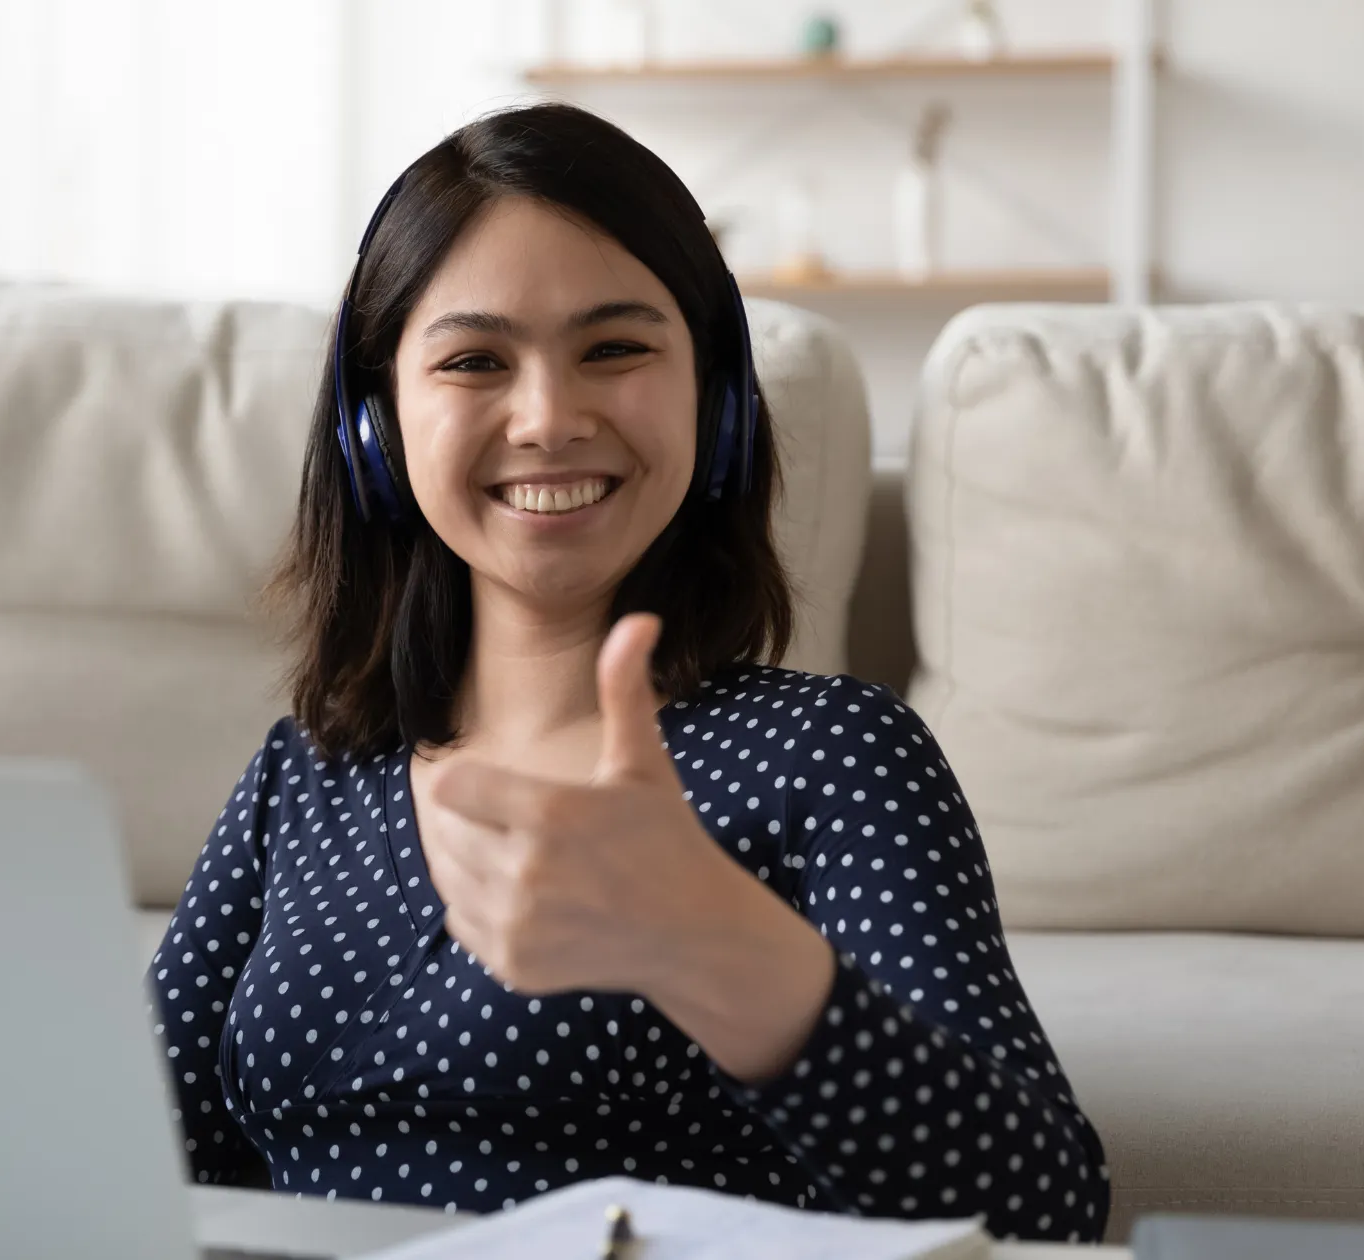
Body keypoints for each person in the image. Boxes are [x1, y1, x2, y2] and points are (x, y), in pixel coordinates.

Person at [148, 102, 1110, 1243]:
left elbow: (1044, 1217)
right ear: (377, 427)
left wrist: (719, 951)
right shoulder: (306, 775)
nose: (547, 419)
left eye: (613, 349)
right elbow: (121, 1154)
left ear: (716, 400)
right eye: (473, 360)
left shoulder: (830, 758)